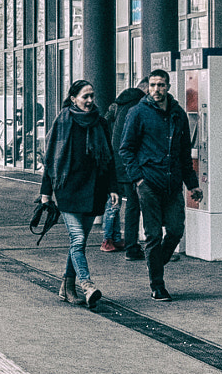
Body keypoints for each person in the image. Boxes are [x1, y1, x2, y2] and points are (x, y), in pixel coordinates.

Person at [117, 68, 201, 302]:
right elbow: (126, 149)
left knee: (175, 230)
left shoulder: (178, 114)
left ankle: (155, 262)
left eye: (161, 85)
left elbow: (184, 154)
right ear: (148, 87)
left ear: (168, 87)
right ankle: (157, 284)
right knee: (153, 235)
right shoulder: (137, 113)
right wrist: (138, 178)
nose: (156, 89)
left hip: (173, 182)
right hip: (149, 183)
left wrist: (192, 185)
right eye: (153, 85)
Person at [39, 80, 115, 307]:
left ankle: (66, 287)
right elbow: (51, 160)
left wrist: (113, 188)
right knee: (79, 239)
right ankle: (87, 285)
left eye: (92, 96)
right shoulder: (63, 122)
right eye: (85, 97)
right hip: (68, 191)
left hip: (93, 192)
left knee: (76, 244)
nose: (90, 101)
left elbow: (109, 159)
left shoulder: (100, 123)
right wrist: (46, 193)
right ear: (73, 98)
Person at [102, 86, 144, 255]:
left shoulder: (118, 104)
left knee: (117, 203)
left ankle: (113, 238)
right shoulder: (139, 106)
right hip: (131, 162)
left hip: (117, 160)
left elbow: (105, 121)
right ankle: (131, 246)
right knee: (134, 205)